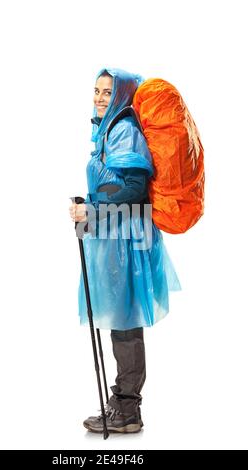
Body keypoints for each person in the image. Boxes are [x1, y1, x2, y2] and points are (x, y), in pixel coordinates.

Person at [69, 68, 181, 434]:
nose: (100, 98)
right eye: (96, 91)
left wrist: (93, 209)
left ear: (121, 95)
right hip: (113, 234)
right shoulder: (106, 132)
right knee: (120, 321)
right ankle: (123, 403)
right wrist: (86, 209)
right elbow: (110, 186)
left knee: (126, 322)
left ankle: (128, 409)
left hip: (127, 239)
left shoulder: (123, 130)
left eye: (107, 91)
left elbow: (134, 188)